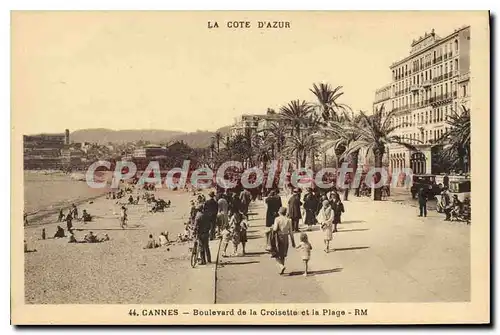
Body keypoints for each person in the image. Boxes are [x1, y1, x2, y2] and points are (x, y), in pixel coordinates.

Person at [272, 207, 295, 275]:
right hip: (286, 237)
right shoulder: (289, 220)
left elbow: (275, 229)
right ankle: (281, 269)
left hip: (279, 237)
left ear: (279, 212)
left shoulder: (277, 219)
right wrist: (293, 242)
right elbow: (291, 232)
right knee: (283, 255)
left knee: (276, 253)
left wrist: (272, 228)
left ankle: (281, 266)